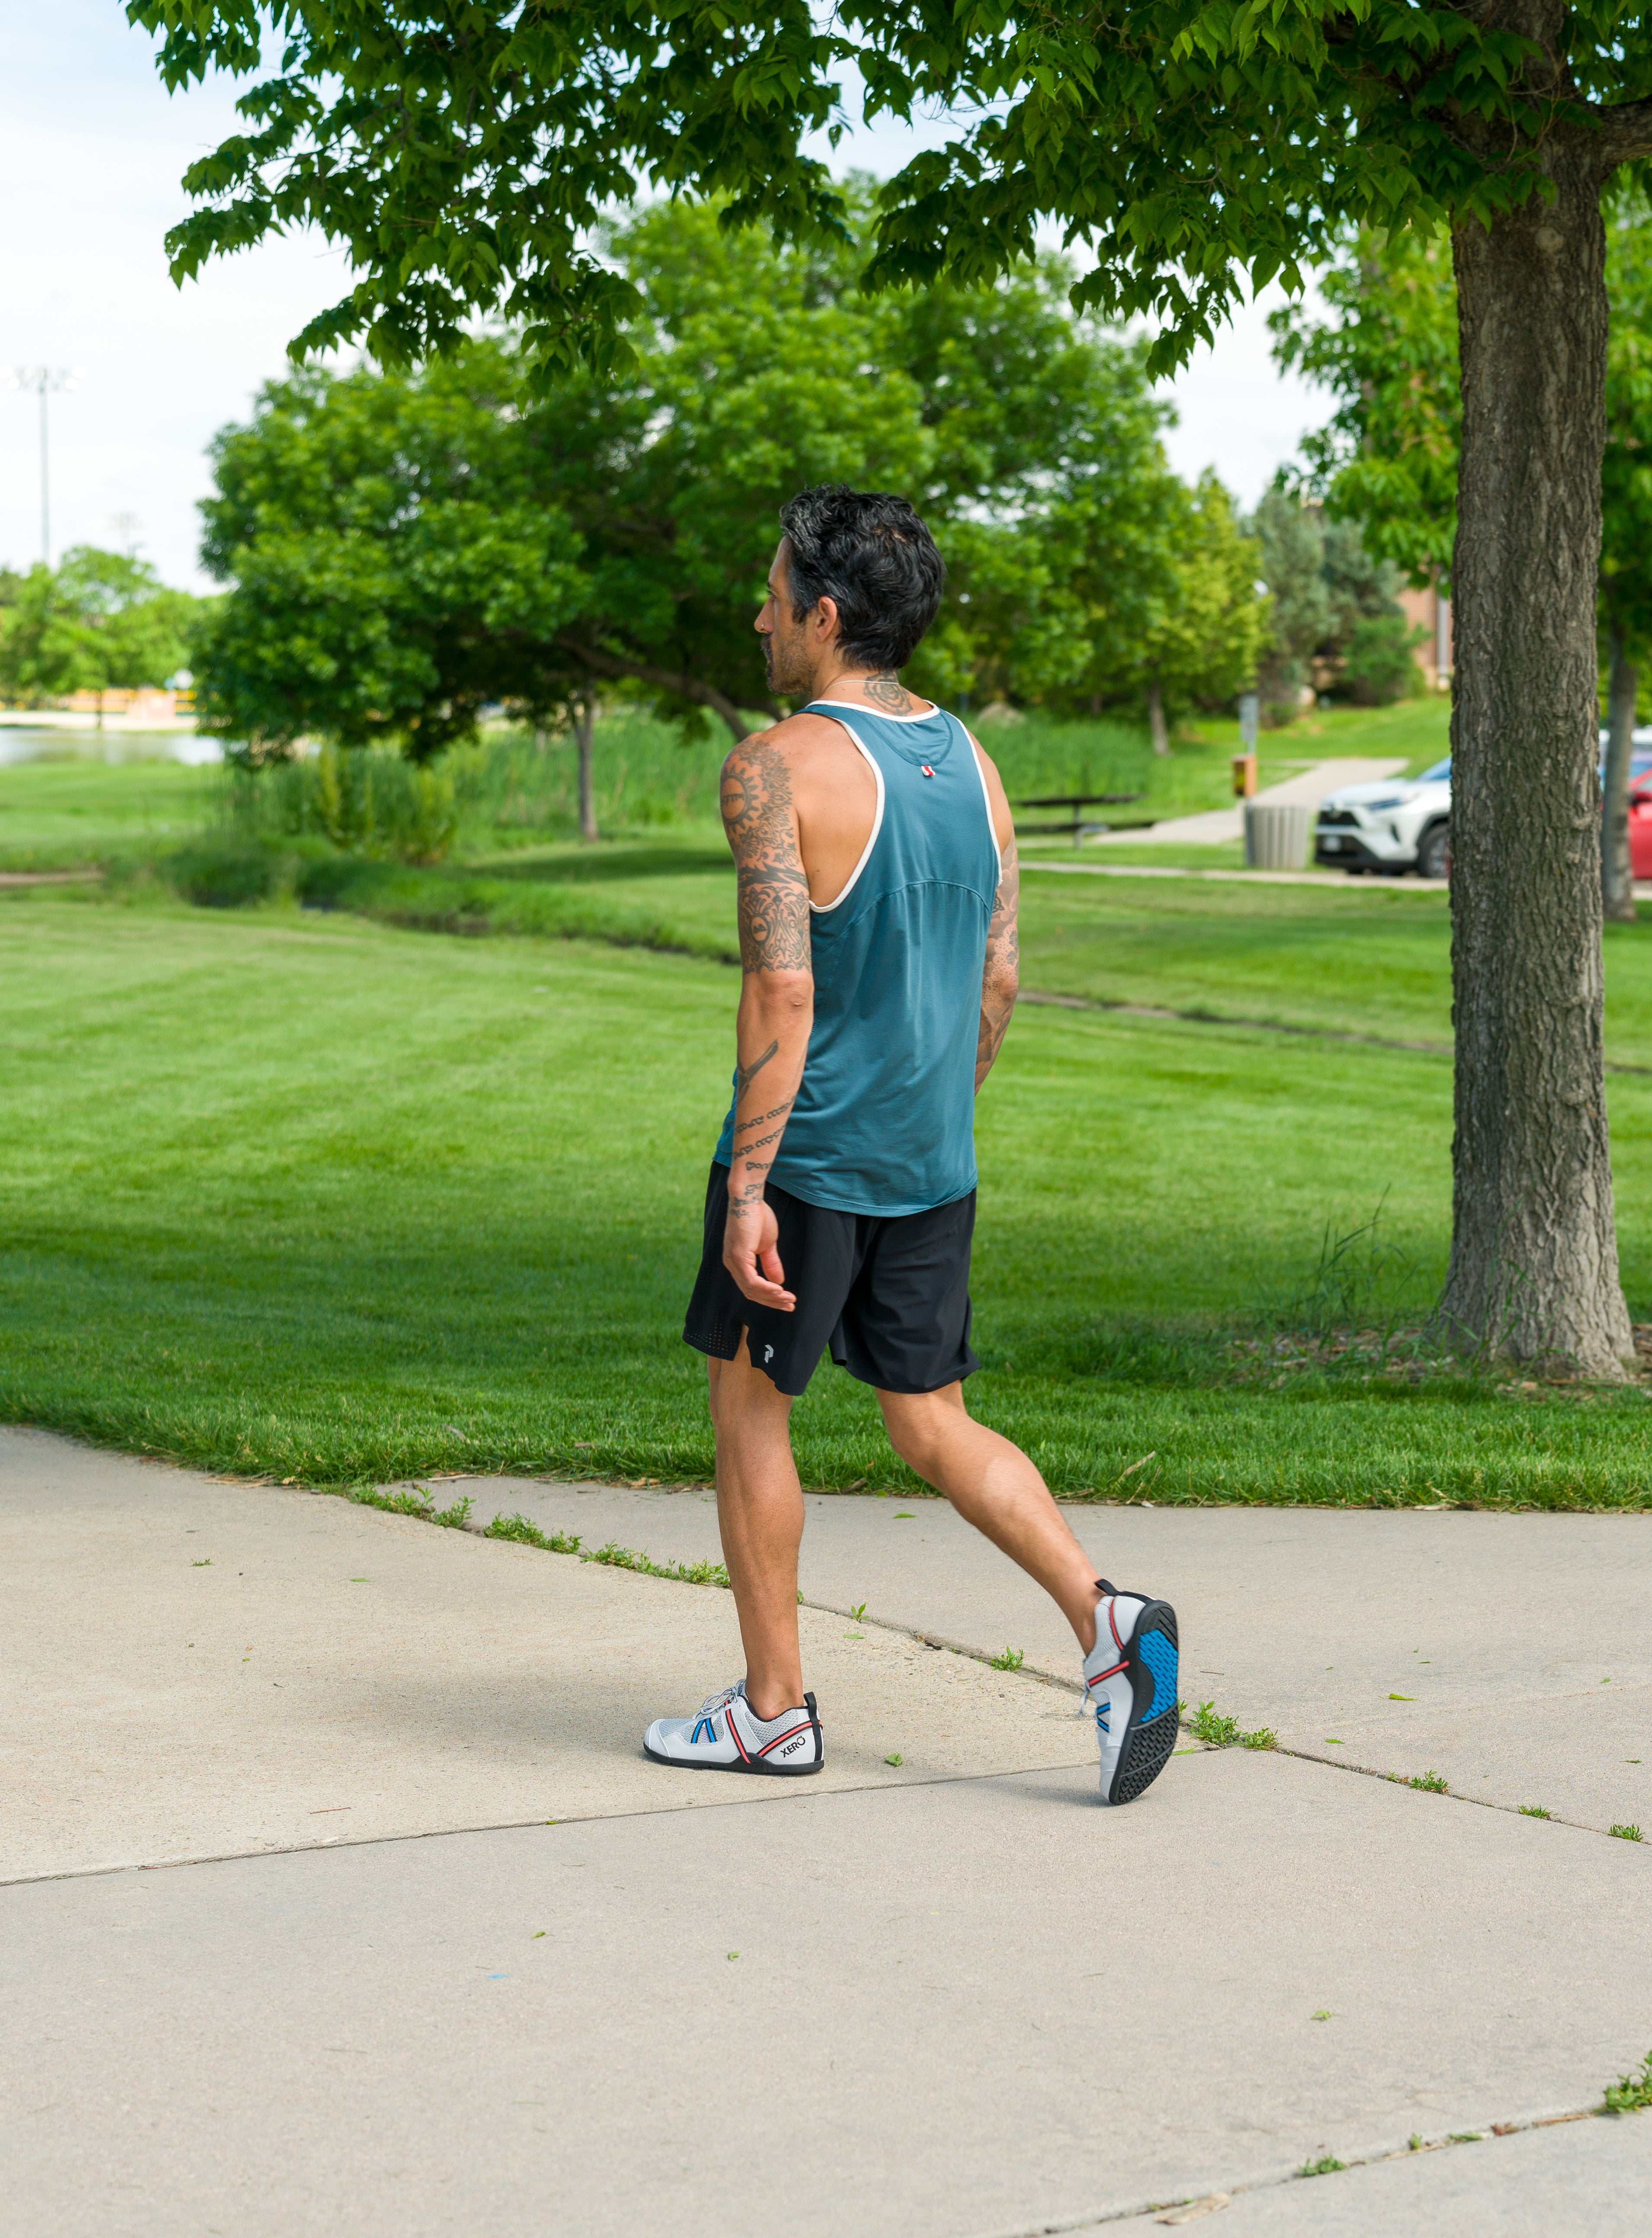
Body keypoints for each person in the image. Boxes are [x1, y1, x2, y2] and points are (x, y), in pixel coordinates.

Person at [643, 485, 1178, 1804]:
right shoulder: (974, 765)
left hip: (810, 1156)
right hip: (934, 1157)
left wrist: (750, 1181)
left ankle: (774, 1712)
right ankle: (1107, 1621)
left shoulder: (774, 766)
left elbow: (782, 991)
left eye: (773, 594)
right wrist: (945, 1102)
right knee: (932, 1419)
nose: (756, 613)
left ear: (824, 618)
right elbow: (1001, 975)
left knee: (749, 1406)